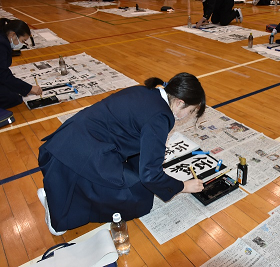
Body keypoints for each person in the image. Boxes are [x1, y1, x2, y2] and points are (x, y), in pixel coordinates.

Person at [37, 72, 206, 235]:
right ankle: (58, 210)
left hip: (68, 142)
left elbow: (137, 141)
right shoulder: (161, 116)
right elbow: (149, 175)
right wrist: (182, 186)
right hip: (83, 155)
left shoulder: (147, 91)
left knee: (135, 178)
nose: (188, 116)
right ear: (179, 102)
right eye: (191, 111)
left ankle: (57, 191)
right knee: (141, 197)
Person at [0, 18, 42, 109]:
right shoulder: (1, 44)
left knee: (12, 90)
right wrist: (29, 88)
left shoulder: (3, 39)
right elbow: (3, 74)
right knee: (13, 98)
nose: (22, 44)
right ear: (13, 34)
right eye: (23, 41)